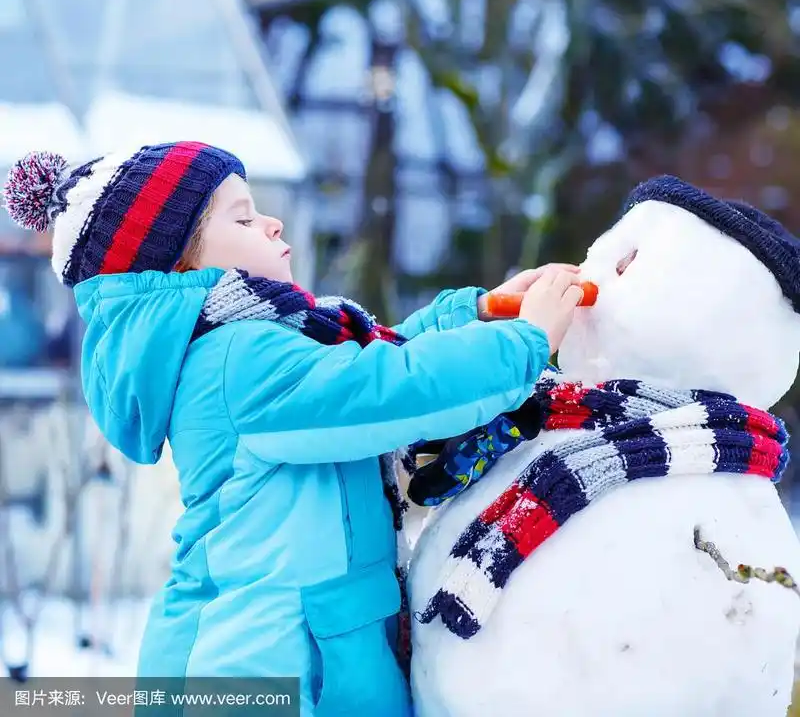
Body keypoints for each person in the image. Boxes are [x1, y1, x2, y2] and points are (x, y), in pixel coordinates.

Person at [2, 142, 584, 717]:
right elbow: (385, 392)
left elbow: (370, 365)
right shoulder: (237, 360)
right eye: (244, 216)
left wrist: (475, 316)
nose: (272, 222)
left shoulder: (274, 339)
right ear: (183, 264)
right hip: (251, 667)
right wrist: (521, 344)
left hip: (319, 649)